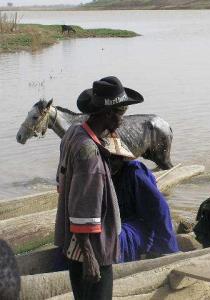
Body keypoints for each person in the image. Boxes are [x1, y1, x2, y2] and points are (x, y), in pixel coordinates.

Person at [54, 76, 143, 300]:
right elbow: (84, 207)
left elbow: (63, 180)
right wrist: (90, 258)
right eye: (121, 113)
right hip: (92, 248)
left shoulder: (74, 134)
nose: (122, 120)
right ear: (107, 114)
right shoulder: (90, 154)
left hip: (71, 244)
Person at [104, 134, 179, 262]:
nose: (109, 163)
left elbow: (159, 209)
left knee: (115, 239)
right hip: (117, 223)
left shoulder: (135, 173)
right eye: (106, 158)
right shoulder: (101, 174)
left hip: (140, 226)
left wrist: (164, 248)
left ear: (122, 158)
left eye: (114, 158)